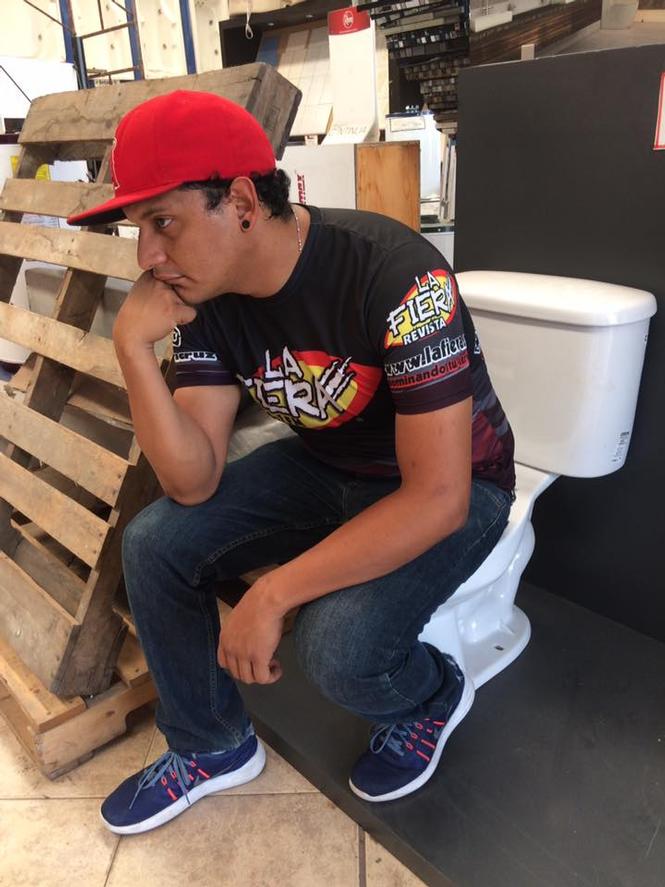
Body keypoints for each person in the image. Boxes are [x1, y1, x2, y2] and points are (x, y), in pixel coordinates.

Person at [68, 89, 515, 836]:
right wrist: (132, 351)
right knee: (153, 542)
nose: (146, 256)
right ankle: (211, 744)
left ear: (242, 202)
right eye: (137, 228)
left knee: (337, 649)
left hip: (456, 487)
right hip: (327, 466)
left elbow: (439, 497)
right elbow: (192, 480)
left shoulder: (398, 275)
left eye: (163, 222)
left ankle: (433, 693)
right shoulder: (206, 296)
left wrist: (273, 594)